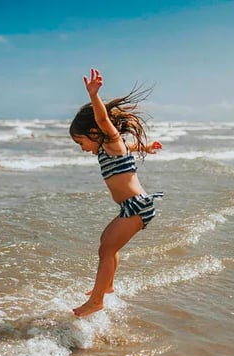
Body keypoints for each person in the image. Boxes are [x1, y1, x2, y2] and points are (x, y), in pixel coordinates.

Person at [69, 68, 163, 317]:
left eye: (82, 143)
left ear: (94, 132)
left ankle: (97, 301)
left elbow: (102, 121)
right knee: (105, 246)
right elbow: (128, 147)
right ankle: (106, 286)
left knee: (109, 249)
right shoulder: (108, 148)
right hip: (130, 207)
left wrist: (94, 96)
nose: (82, 148)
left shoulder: (109, 139)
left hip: (137, 206)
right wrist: (145, 146)